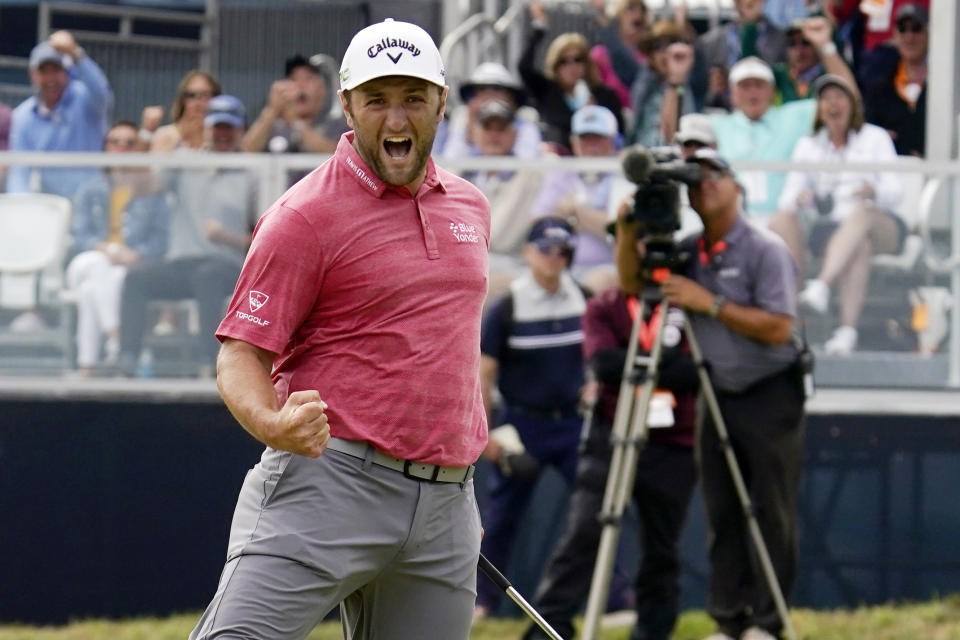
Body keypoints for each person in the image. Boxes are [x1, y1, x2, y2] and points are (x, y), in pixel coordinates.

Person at [189, 19, 489, 640]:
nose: (397, 118)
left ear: (442, 101)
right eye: (377, 100)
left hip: (446, 506)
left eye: (413, 97)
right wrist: (272, 424)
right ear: (347, 105)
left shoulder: (470, 206)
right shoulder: (303, 215)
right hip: (329, 483)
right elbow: (240, 353)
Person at [521, 210, 698, 640]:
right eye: (632, 241)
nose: (640, 251)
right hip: (610, 436)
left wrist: (631, 365)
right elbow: (601, 363)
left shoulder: (685, 303)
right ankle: (551, 622)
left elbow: (694, 371)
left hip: (671, 441)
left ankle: (653, 630)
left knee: (663, 545)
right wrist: (656, 367)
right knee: (584, 534)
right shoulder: (606, 305)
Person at [660, 149, 805, 640]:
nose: (705, 185)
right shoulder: (687, 248)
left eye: (715, 175)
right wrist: (631, 221)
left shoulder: (765, 247)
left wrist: (712, 303)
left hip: (770, 392)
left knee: (769, 507)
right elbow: (637, 280)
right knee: (722, 509)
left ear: (737, 186)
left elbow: (781, 327)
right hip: (715, 390)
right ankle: (729, 619)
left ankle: (767, 622)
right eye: (695, 180)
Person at [474, 217, 588, 621]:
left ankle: (614, 600)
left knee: (596, 512)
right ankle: (482, 603)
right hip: (522, 424)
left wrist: (594, 388)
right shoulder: (509, 306)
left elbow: (599, 355)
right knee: (502, 519)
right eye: (547, 249)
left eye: (563, 251)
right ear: (528, 252)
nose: (555, 259)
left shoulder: (583, 298)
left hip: (573, 422)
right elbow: (484, 373)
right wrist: (486, 435)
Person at [116, 95, 258, 378]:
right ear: (207, 129)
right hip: (182, 264)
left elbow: (265, 238)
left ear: (240, 130)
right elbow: (143, 187)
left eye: (228, 128)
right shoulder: (185, 160)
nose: (222, 135)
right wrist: (148, 137)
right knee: (135, 279)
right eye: (217, 128)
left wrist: (227, 237)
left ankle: (211, 365)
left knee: (207, 277)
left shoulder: (253, 172)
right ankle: (127, 359)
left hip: (228, 266)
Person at [769, 74, 902, 355]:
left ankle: (821, 286)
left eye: (840, 97)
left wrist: (873, 191)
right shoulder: (809, 145)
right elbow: (786, 200)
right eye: (826, 98)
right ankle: (843, 332)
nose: (833, 104)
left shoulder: (875, 137)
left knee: (862, 216)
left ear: (853, 105)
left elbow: (897, 192)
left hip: (880, 222)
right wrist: (800, 197)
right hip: (834, 229)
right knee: (853, 245)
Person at [66, 120, 170, 375]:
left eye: (129, 142)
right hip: (90, 259)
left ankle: (86, 366)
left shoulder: (152, 192)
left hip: (129, 266)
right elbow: (79, 236)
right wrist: (107, 249)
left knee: (93, 290)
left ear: (138, 149)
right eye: (115, 142)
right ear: (105, 148)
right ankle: (116, 338)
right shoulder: (90, 189)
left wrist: (137, 254)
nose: (121, 147)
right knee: (96, 265)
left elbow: (160, 238)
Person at [7, 30, 112, 198]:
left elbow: (102, 92)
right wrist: (21, 205)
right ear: (33, 75)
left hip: (93, 200)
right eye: (43, 71)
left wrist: (76, 53)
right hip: (53, 204)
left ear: (67, 72)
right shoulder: (22, 115)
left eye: (56, 70)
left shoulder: (86, 98)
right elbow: (20, 169)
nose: (50, 79)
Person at [531, 104, 621, 293]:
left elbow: (618, 230)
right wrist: (592, 220)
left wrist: (576, 212)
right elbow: (539, 224)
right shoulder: (561, 173)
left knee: (598, 282)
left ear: (612, 141)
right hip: (559, 265)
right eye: (585, 139)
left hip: (607, 267)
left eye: (598, 139)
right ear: (574, 142)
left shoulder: (621, 174)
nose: (591, 146)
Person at [461, 97, 546, 297]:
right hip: (463, 264)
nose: (494, 135)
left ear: (514, 134)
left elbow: (496, 237)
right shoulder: (458, 174)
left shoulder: (529, 176)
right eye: (487, 127)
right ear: (474, 132)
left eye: (501, 128)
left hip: (508, 266)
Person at [520, 0, 624, 151]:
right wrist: (539, 27)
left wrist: (595, 114)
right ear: (555, 65)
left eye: (578, 59)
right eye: (564, 61)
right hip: (556, 167)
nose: (572, 66)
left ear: (587, 63)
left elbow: (620, 135)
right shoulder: (547, 92)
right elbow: (524, 67)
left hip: (597, 164)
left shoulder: (606, 96)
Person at [242, 53, 349, 155]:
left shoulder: (336, 125)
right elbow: (247, 151)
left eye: (308, 79)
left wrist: (296, 123)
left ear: (322, 89)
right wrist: (272, 110)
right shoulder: (275, 127)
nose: (300, 85)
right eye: (293, 79)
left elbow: (337, 154)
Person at [859, 1, 927, 157]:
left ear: (928, 33)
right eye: (903, 29)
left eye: (916, 29)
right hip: (892, 171)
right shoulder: (880, 87)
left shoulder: (946, 85)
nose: (909, 37)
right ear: (895, 35)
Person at [435, 61, 541, 160]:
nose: (489, 96)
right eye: (481, 90)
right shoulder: (463, 121)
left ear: (511, 98)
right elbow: (450, 166)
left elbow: (528, 166)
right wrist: (469, 133)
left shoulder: (526, 122)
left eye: (497, 89)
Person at [694, 0, 787, 111]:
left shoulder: (786, 39)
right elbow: (699, 93)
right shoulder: (710, 42)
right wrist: (713, 90)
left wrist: (750, 25)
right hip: (726, 114)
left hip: (769, 113)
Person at [627, 18, 697, 148]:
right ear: (650, 56)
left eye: (671, 44)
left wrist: (676, 81)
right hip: (642, 159)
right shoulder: (642, 84)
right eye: (657, 46)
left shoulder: (689, 86)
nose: (665, 53)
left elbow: (671, 137)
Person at [588, 0, 650, 112]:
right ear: (617, 15)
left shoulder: (652, 57)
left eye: (643, 10)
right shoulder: (599, 55)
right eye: (630, 8)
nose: (638, 14)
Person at [773, 16, 851, 103]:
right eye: (792, 44)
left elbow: (851, 96)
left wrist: (825, 44)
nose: (799, 52)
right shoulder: (781, 75)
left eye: (806, 43)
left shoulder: (830, 72)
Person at [140, 70, 220, 153]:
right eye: (191, 95)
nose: (198, 102)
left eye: (205, 95)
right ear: (182, 100)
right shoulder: (165, 135)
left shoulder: (225, 137)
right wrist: (147, 132)